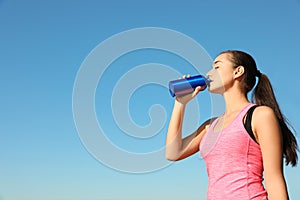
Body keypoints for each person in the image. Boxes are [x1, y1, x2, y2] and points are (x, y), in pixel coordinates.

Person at [165, 50, 298, 200]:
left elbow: (274, 179)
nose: (209, 73)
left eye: (217, 67)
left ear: (238, 72)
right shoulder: (210, 126)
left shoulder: (259, 115)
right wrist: (180, 103)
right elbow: (173, 152)